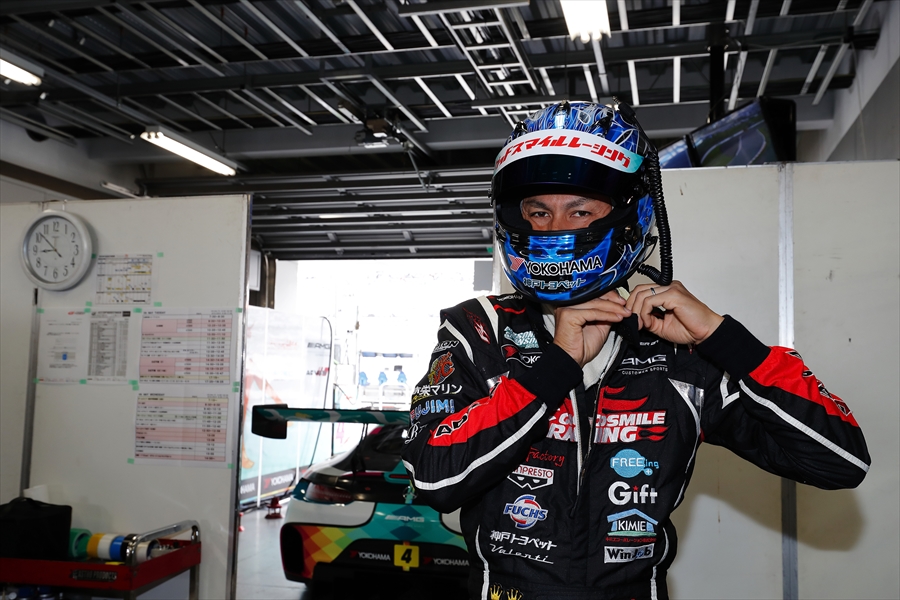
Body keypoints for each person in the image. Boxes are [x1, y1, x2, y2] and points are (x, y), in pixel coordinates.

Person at [400, 101, 870, 600]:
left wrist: (724, 339)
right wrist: (556, 367)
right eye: (538, 212)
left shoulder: (677, 349)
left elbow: (840, 461)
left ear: (628, 216)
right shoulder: (479, 329)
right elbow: (432, 478)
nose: (554, 229)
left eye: (579, 210)